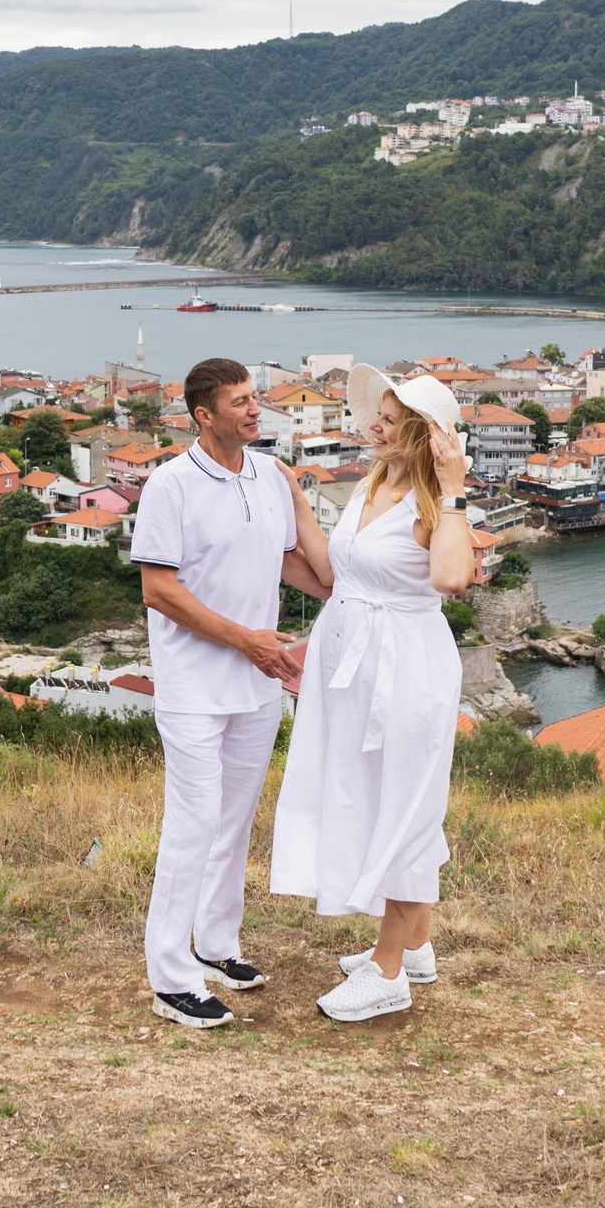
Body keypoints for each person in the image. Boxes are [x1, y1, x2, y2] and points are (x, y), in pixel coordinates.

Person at [269, 365, 476, 1022]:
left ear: (419, 433)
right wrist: (293, 503)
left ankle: (388, 974)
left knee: (409, 807)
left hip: (408, 669)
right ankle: (414, 947)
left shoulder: (432, 501)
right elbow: (338, 570)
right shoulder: (373, 481)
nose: (373, 427)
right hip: (353, 669)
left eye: (388, 420)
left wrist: (456, 488)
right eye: (377, 416)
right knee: (371, 794)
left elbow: (450, 577)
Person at [127, 357, 321, 1028]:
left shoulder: (269, 477)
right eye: (239, 402)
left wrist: (371, 599)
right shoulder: (170, 486)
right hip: (194, 687)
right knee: (191, 827)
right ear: (202, 415)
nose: (253, 410)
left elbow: (288, 562)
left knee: (235, 822)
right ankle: (170, 977)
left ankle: (214, 944)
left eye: (254, 398)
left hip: (257, 684)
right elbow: (159, 590)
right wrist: (248, 640)